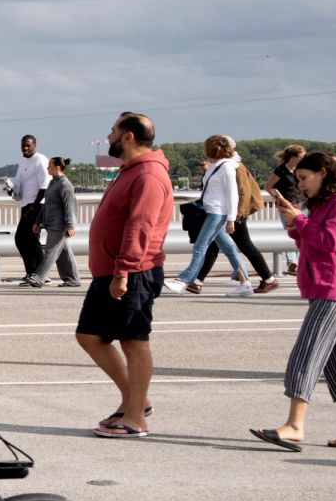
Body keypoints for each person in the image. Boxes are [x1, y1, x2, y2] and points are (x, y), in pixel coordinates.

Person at [251, 152, 336, 451]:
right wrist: (297, 225)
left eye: (304, 178)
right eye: (298, 179)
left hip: (334, 288)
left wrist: (300, 220)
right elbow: (315, 242)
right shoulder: (328, 204)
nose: (301, 184)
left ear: (323, 173)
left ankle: (295, 426)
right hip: (327, 288)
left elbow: (330, 242)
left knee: (307, 352)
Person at [78, 112, 173, 439]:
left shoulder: (148, 175)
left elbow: (141, 226)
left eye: (114, 130)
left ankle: (135, 418)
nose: (109, 135)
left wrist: (124, 270)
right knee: (90, 336)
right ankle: (136, 399)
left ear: (129, 136)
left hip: (132, 271)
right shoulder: (130, 171)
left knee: (133, 340)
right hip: (112, 270)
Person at [164, 135, 253, 298]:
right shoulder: (216, 166)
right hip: (212, 211)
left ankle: (183, 281)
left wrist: (231, 218)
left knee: (200, 247)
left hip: (217, 213)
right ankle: (245, 282)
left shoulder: (226, 167)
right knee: (229, 248)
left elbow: (233, 194)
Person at [195, 136, 279, 293]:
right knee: (218, 246)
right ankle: (198, 281)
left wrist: (235, 216)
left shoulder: (233, 166)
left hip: (233, 213)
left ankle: (268, 279)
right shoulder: (229, 164)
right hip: (229, 212)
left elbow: (242, 191)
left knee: (244, 246)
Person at [26, 157, 80, 287]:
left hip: (60, 225)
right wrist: (38, 222)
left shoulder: (65, 185)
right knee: (62, 252)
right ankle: (72, 279)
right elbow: (46, 205)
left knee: (51, 251)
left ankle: (39, 278)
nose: (47, 168)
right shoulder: (52, 183)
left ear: (57, 167)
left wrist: (70, 225)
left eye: (49, 165)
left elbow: (70, 206)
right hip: (51, 223)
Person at [264, 145, 306, 274]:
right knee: (291, 232)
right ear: (293, 157)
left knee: (303, 233)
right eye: (301, 157)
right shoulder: (281, 170)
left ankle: (302, 262)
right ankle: (292, 262)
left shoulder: (300, 170)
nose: (304, 159)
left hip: (301, 204)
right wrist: (277, 198)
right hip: (286, 206)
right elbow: (268, 186)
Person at [11, 135, 48, 281]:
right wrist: (11, 190)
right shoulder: (23, 162)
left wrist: (34, 206)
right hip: (25, 205)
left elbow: (45, 185)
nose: (25, 148)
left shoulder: (40, 159)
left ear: (35, 145)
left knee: (29, 239)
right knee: (23, 240)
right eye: (23, 145)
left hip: (36, 206)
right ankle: (32, 272)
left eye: (28, 145)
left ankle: (40, 274)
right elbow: (20, 187)